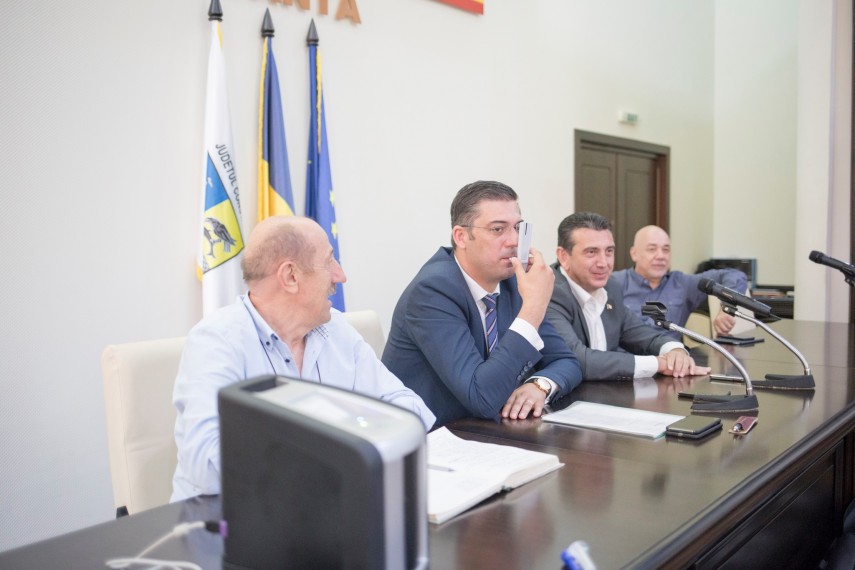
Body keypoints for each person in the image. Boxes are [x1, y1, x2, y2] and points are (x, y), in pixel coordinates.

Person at [171, 216, 435, 501]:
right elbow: (208, 466)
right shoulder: (216, 342)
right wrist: (344, 447)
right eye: (329, 261)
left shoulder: (336, 329)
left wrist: (338, 447)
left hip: (326, 503)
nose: (340, 275)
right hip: (231, 516)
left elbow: (410, 410)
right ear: (290, 276)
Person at [382, 181, 583, 427]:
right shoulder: (432, 291)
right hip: (429, 436)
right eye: (498, 229)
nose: (514, 241)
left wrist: (540, 385)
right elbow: (482, 398)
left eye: (517, 228)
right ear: (461, 237)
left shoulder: (512, 283)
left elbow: (567, 361)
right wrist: (533, 308)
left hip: (484, 430)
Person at [546, 212, 710, 381]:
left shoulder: (611, 287)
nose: (604, 263)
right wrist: (658, 364)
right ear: (563, 256)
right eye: (591, 252)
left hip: (603, 390)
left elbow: (642, 335)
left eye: (609, 251)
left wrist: (675, 351)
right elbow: (577, 359)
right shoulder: (549, 291)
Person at [611, 225, 748, 338]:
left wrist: (727, 306)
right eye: (652, 249)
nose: (661, 256)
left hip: (672, 360)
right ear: (634, 253)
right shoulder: (614, 283)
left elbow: (736, 275)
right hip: (629, 361)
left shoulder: (682, 284)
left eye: (666, 250)